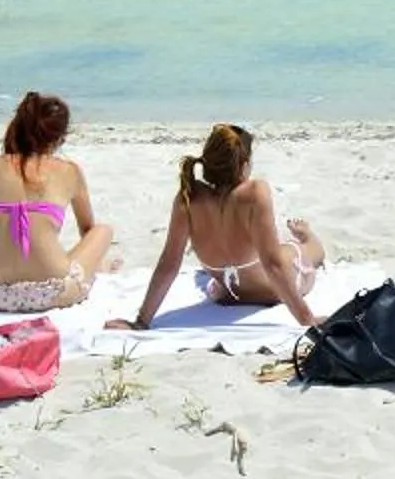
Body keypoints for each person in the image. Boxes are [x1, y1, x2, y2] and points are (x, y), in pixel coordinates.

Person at [105, 122, 331, 332]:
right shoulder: (255, 192)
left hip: (228, 295)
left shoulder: (188, 197)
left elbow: (169, 264)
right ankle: (307, 236)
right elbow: (273, 265)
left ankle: (301, 238)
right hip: (275, 292)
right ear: (243, 165)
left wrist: (142, 321)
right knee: (305, 251)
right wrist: (306, 320)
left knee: (208, 275)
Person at [0, 91, 115, 313]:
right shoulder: (69, 171)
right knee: (102, 230)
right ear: (59, 137)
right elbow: (86, 228)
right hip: (53, 293)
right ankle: (102, 269)